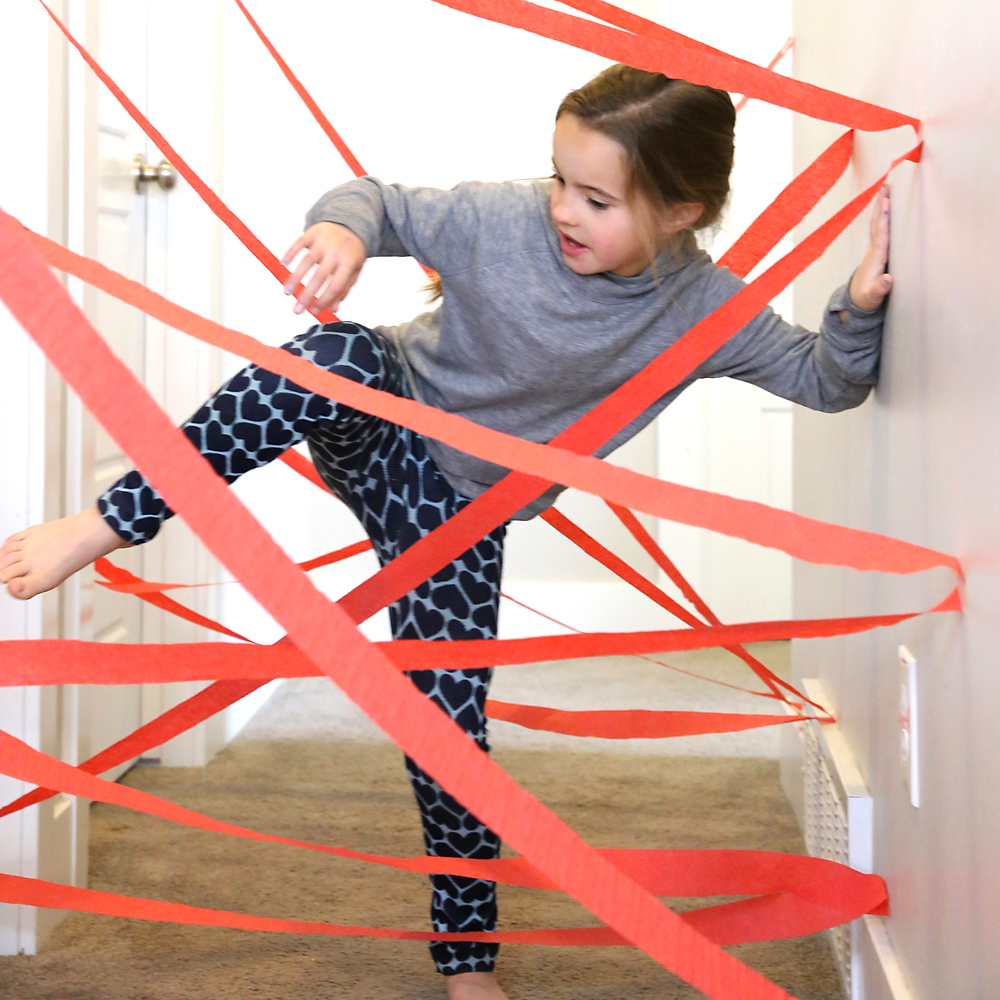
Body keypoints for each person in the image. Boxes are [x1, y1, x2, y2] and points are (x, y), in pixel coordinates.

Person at [0, 64, 893, 1000]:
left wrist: (858, 307)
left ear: (682, 212)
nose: (564, 210)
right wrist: (346, 227)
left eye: (595, 198)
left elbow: (824, 380)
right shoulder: (501, 218)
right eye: (558, 179)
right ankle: (108, 521)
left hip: (462, 516)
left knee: (449, 733)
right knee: (329, 353)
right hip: (387, 420)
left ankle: (467, 964)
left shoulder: (705, 312)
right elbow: (380, 200)